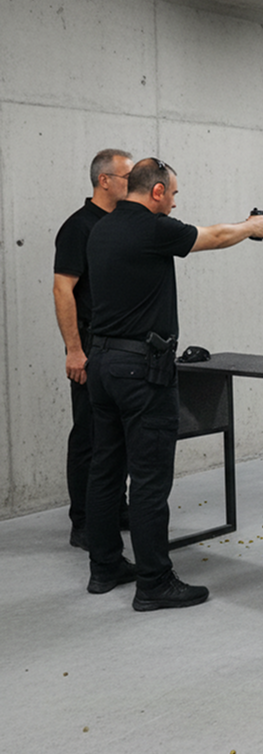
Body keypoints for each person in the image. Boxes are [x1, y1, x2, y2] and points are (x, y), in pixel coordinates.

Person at [84, 157, 263, 609]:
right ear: (156, 191)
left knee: (105, 471)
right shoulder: (152, 228)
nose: (174, 202)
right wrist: (251, 227)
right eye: (172, 194)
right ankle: (154, 582)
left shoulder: (101, 228)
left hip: (102, 363)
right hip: (140, 370)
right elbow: (214, 236)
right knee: (149, 479)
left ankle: (104, 567)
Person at [53, 148, 134, 549]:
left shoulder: (122, 224)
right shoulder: (79, 227)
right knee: (88, 435)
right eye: (127, 178)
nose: (133, 186)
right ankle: (83, 520)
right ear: (104, 180)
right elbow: (62, 289)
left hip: (116, 346)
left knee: (117, 434)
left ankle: (114, 508)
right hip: (88, 344)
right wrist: (74, 349)